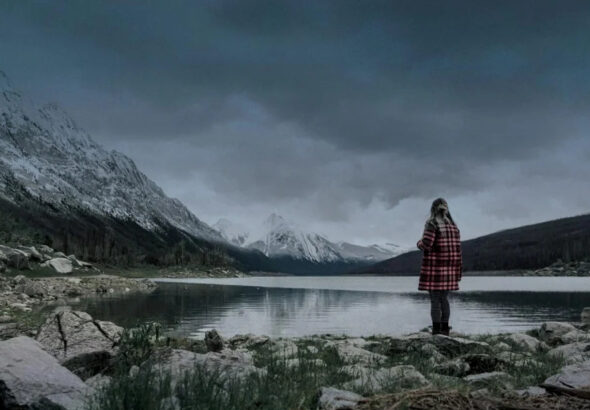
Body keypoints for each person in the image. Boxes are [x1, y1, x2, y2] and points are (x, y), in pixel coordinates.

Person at [417, 198, 462, 336]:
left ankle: (436, 331)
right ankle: (445, 329)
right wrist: (458, 272)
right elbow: (459, 251)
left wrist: (419, 243)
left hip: (435, 269)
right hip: (450, 269)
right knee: (444, 299)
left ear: (433, 209)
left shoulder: (432, 224)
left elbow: (427, 244)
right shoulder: (454, 227)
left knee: (435, 300)